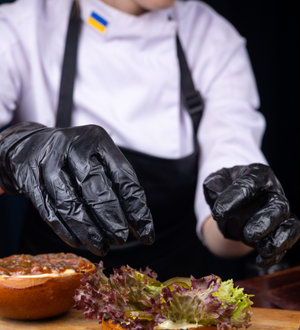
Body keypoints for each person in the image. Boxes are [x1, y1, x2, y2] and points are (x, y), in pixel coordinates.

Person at [0, 0, 299, 281]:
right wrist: (11, 154)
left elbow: (223, 220)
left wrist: (243, 218)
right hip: (45, 293)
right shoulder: (22, 27)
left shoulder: (211, 37)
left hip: (173, 301)